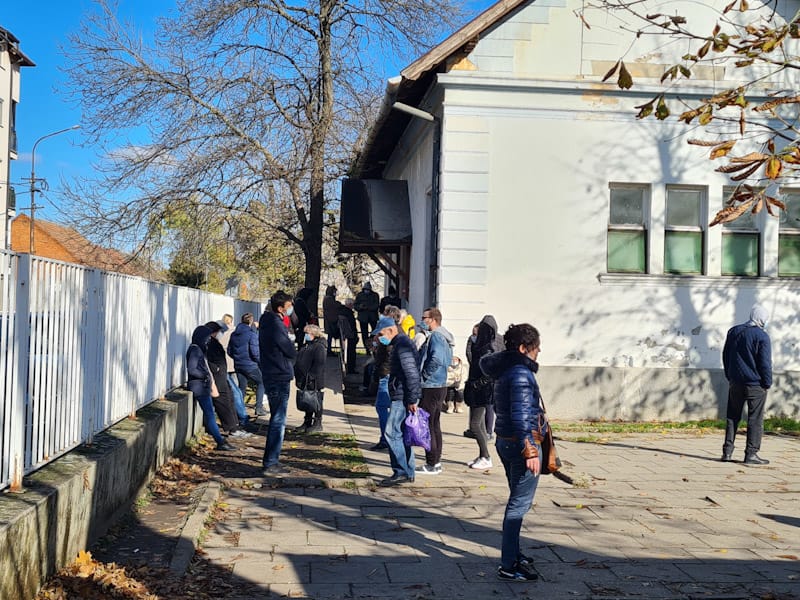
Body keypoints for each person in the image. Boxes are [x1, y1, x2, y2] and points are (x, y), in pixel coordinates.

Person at [480, 323, 543, 582]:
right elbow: (520, 415)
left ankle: (514, 552)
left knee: (517, 497)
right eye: (536, 347)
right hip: (520, 444)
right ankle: (509, 564)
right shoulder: (519, 374)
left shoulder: (505, 369)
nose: (539, 352)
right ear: (523, 348)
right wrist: (530, 450)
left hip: (506, 441)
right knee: (518, 504)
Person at [721, 304, 772, 465]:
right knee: (755, 419)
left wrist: (730, 375)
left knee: (732, 417)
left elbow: (726, 355)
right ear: (762, 319)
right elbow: (764, 363)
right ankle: (751, 454)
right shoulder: (762, 336)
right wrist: (767, 382)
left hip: (735, 382)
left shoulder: (734, 331)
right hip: (755, 384)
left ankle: (727, 452)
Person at [376, 317, 421, 486]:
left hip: (402, 396)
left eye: (381, 334)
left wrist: (412, 399)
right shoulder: (401, 343)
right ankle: (408, 471)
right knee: (402, 435)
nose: (380, 338)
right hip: (403, 394)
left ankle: (401, 471)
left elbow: (411, 373)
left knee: (392, 433)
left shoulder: (401, 345)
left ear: (390, 330)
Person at [259, 291, 298, 474]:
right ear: (281, 308)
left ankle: (272, 460)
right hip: (278, 373)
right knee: (278, 419)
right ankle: (271, 461)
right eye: (289, 306)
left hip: (272, 371)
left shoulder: (268, 322)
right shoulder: (275, 324)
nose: (291, 309)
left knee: (278, 417)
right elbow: (289, 350)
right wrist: (292, 347)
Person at [416, 307, 454, 475]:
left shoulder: (437, 337)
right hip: (440, 385)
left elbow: (436, 359)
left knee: (428, 425)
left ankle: (432, 463)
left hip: (432, 385)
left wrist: (424, 375)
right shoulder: (444, 337)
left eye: (424, 317)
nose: (422, 320)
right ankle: (435, 461)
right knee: (434, 424)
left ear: (433, 320)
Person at [186, 325, 234, 451]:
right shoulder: (195, 350)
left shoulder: (199, 349)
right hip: (200, 387)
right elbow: (192, 369)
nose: (208, 340)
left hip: (203, 386)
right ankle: (220, 441)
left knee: (210, 414)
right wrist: (205, 375)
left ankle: (219, 438)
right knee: (210, 415)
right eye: (207, 338)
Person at [465, 315, 503, 470]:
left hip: (482, 389)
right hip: (478, 388)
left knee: (474, 424)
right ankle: (482, 455)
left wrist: (477, 384)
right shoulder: (484, 343)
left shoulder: (489, 347)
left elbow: (489, 371)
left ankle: (486, 456)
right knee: (478, 423)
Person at [205, 321, 251, 439]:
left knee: (230, 398)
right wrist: (217, 369)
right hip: (218, 376)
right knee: (223, 401)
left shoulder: (213, 342)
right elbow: (208, 361)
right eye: (219, 332)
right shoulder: (208, 343)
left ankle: (235, 425)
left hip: (222, 375)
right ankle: (231, 428)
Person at [228, 313, 267, 417]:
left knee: (242, 387)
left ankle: (239, 410)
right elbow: (255, 352)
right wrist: (260, 362)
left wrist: (237, 358)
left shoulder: (234, 334)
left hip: (238, 364)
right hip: (250, 365)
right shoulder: (251, 334)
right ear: (251, 321)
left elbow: (229, 350)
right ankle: (258, 408)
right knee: (262, 382)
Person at [294, 324, 327, 433]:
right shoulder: (306, 345)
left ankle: (317, 422)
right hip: (304, 378)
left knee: (316, 400)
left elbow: (319, 363)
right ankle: (307, 421)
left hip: (314, 379)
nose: (306, 335)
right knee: (307, 400)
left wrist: (311, 376)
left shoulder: (319, 347)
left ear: (314, 334)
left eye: (307, 333)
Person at [369, 315, 395, 450]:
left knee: (383, 406)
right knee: (383, 407)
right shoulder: (387, 342)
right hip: (385, 376)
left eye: (380, 333)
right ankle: (386, 437)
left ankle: (387, 437)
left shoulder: (392, 344)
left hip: (387, 376)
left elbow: (386, 362)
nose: (378, 337)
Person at [220, 314, 250, 429]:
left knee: (234, 391)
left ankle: (238, 414)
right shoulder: (234, 331)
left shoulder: (222, 334)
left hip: (225, 364)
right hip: (233, 363)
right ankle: (241, 415)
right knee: (236, 390)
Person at [354, 282, 380, 352]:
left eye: (368, 289)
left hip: (373, 317)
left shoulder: (375, 295)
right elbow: (355, 305)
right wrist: (360, 307)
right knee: (364, 333)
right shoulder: (360, 295)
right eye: (366, 289)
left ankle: (373, 346)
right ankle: (367, 348)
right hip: (363, 317)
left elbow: (376, 305)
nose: (367, 291)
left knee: (374, 332)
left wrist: (368, 307)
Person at [338, 298, 358, 374]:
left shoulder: (342, 312)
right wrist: (354, 335)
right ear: (350, 305)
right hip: (350, 335)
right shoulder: (348, 313)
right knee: (351, 352)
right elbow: (351, 326)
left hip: (344, 334)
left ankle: (349, 368)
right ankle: (351, 368)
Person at [322, 285, 340, 355]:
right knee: (330, 336)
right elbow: (335, 306)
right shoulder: (329, 299)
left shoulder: (327, 298)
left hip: (329, 320)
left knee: (330, 336)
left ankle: (329, 349)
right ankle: (329, 350)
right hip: (331, 320)